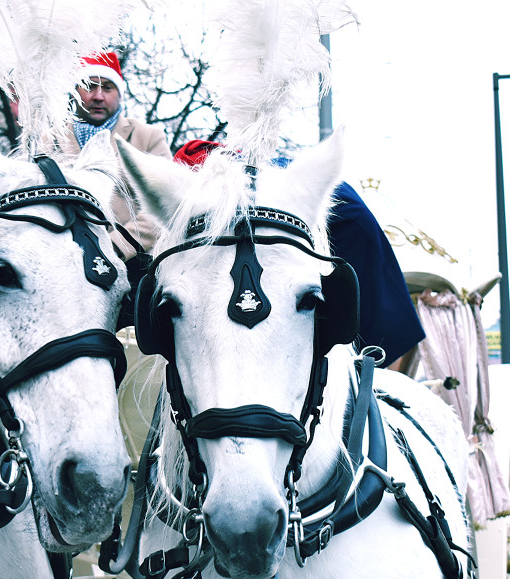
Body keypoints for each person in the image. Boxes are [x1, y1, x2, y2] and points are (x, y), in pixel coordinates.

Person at [172, 139, 426, 365]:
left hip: (335, 218)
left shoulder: (222, 189)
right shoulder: (241, 179)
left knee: (371, 331)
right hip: (317, 210)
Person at [60, 51, 173, 259]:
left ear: (120, 94)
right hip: (63, 259)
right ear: (75, 92)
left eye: (108, 88)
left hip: (133, 263)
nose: (98, 96)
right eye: (89, 86)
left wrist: (114, 248)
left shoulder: (148, 137)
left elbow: (165, 202)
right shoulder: (52, 139)